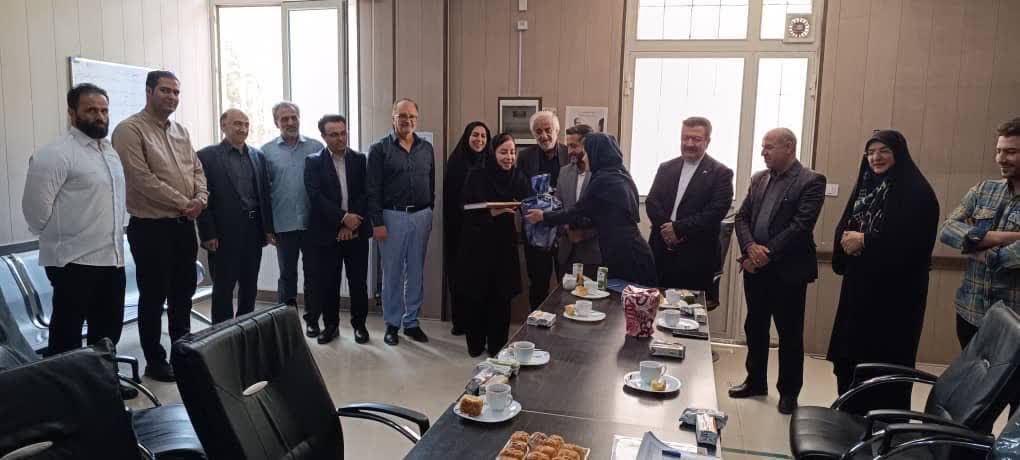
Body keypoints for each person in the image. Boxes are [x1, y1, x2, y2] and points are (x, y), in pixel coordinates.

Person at [827, 130, 939, 410]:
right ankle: (849, 415)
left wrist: (865, 240)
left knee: (884, 366)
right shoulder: (866, 187)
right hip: (858, 291)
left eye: (884, 151)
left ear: (899, 154)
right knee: (851, 358)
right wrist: (846, 241)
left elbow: (914, 245)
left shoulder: (917, 192)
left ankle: (883, 424)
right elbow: (846, 227)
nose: (876, 158)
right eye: (870, 152)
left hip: (894, 300)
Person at [112, 70, 207, 382]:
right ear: (149, 92)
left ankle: (183, 351)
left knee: (183, 293)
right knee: (154, 297)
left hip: (184, 226)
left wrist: (200, 198)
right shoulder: (129, 130)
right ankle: (155, 360)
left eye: (176, 92)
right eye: (165, 90)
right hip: (151, 228)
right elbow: (140, 178)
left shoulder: (181, 131)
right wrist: (185, 203)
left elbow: (197, 169)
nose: (172, 97)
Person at [22, 83, 126, 356]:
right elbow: (35, 211)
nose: (99, 116)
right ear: (72, 113)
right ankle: (67, 385)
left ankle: (103, 379)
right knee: (66, 339)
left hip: (112, 259)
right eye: (91, 110)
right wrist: (63, 237)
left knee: (107, 335)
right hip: (73, 262)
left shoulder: (109, 152)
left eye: (104, 110)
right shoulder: (55, 154)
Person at [730, 128, 825, 415]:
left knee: (789, 334)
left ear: (789, 147)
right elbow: (741, 217)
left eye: (769, 147)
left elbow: (800, 226)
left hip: (788, 272)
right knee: (755, 327)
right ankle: (755, 381)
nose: (763, 152)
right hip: (755, 268)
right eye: (763, 147)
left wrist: (766, 253)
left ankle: (789, 393)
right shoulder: (759, 178)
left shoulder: (811, 181)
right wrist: (750, 247)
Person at [525, 133, 657, 286]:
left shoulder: (604, 180)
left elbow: (576, 211)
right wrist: (572, 226)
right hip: (627, 251)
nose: (584, 158)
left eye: (587, 153)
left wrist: (544, 216)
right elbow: (598, 216)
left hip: (627, 257)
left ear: (597, 154)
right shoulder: (619, 175)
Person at [941, 118, 1020, 347]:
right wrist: (1003, 237)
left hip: (1014, 320)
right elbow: (948, 229)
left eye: (1011, 152)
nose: (1001, 158)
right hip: (971, 312)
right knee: (969, 370)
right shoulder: (984, 189)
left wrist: (982, 252)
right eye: (999, 151)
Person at [457, 133, 533, 357]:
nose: (509, 157)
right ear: (492, 153)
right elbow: (465, 208)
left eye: (512, 152)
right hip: (477, 244)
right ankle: (475, 344)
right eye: (503, 152)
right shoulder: (477, 175)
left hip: (503, 245)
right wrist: (493, 212)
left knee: (501, 297)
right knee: (477, 295)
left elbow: (528, 201)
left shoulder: (517, 176)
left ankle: (497, 346)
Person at [366, 98, 434, 346]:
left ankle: (411, 322)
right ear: (393, 117)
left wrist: (430, 210)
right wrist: (377, 222)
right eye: (403, 115)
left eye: (412, 116)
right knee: (392, 272)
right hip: (391, 216)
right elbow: (372, 189)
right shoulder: (379, 149)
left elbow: (431, 182)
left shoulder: (426, 148)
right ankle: (392, 324)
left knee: (416, 271)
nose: (408, 120)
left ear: (417, 119)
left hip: (421, 216)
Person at [196, 109, 275, 324]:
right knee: (223, 287)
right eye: (237, 124)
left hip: (253, 230)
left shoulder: (258, 156)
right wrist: (208, 233)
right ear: (223, 126)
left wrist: (268, 229)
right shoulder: (206, 156)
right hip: (223, 233)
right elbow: (202, 197)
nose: (243, 128)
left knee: (250, 285)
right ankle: (222, 333)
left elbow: (264, 195)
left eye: (246, 124)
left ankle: (245, 328)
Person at [645, 116, 734, 291]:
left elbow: (715, 212)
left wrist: (678, 229)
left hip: (696, 257)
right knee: (656, 304)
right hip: (661, 252)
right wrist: (667, 230)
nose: (689, 143)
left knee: (690, 307)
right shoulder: (666, 168)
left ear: (707, 141)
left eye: (696, 139)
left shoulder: (721, 173)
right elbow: (652, 202)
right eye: (685, 138)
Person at [304, 115, 370, 345]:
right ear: (323, 137)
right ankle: (330, 326)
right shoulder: (313, 162)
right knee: (329, 282)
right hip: (327, 233)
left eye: (343, 133)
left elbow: (365, 192)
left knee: (358, 282)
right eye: (334, 134)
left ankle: (360, 326)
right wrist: (342, 219)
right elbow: (316, 197)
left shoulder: (360, 159)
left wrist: (353, 221)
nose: (340, 138)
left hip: (356, 232)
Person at [262, 102, 324, 309]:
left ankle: (312, 319)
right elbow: (264, 192)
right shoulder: (266, 151)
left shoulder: (316, 147)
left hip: (312, 223)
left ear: (299, 118)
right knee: (287, 275)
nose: (290, 122)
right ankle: (286, 320)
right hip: (283, 223)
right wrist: (267, 227)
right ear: (276, 123)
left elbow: (326, 186)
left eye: (294, 117)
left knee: (314, 274)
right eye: (284, 119)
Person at [517, 111, 569, 310]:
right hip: (536, 231)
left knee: (568, 284)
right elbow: (520, 192)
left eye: (548, 130)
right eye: (538, 132)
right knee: (538, 285)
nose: (544, 136)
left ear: (557, 130)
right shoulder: (524, 157)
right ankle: (538, 325)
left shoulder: (569, 153)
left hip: (564, 231)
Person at [443, 121, 491, 336]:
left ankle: (478, 322)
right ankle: (460, 321)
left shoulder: (491, 163)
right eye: (475, 135)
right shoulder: (455, 163)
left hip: (484, 231)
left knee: (480, 277)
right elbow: (450, 200)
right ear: (467, 137)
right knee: (459, 275)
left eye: (483, 136)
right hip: (459, 230)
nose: (479, 140)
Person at [554, 124, 601, 277]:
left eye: (573, 146)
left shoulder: (601, 174)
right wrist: (566, 229)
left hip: (593, 254)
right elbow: (557, 207)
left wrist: (583, 233)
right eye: (568, 146)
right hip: (566, 253)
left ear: (588, 146)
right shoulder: (564, 172)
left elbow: (605, 214)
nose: (569, 152)